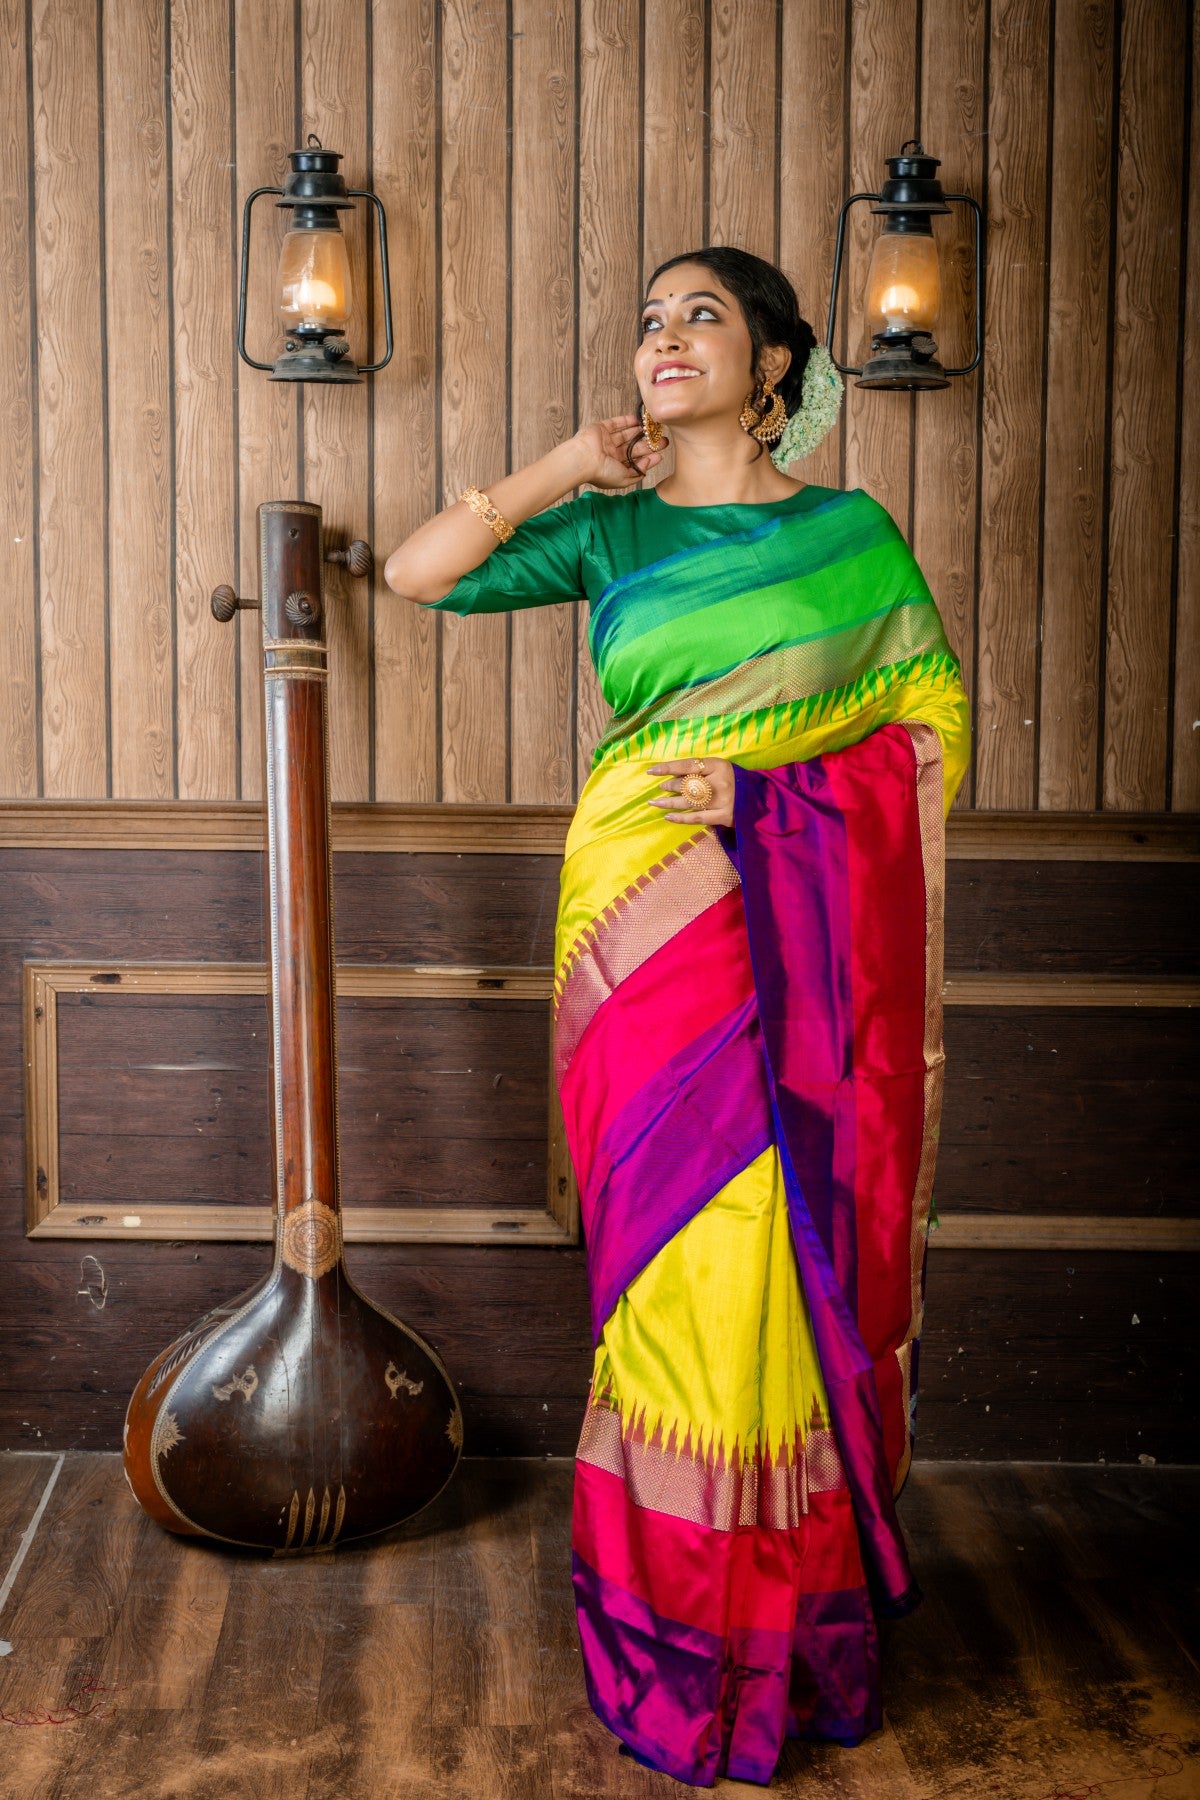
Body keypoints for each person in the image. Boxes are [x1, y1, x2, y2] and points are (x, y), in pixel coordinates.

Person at [384, 245, 971, 1788]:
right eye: (650, 318)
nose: (665, 336)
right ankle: (673, 1616)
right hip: (637, 919)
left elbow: (931, 731)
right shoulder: (615, 528)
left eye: (701, 314)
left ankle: (780, 1615)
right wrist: (565, 465)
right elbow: (417, 574)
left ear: (775, 364)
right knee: (665, 1259)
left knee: (769, 1243)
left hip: (789, 921)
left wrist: (774, 801)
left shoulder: (849, 536)